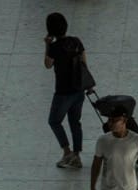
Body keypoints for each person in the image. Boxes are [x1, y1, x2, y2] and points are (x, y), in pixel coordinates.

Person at [44, 12, 88, 170]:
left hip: (63, 92)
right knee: (75, 122)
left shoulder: (54, 47)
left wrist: (47, 45)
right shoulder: (76, 41)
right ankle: (76, 156)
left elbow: (48, 65)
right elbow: (84, 63)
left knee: (54, 121)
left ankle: (67, 152)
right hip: (78, 89)